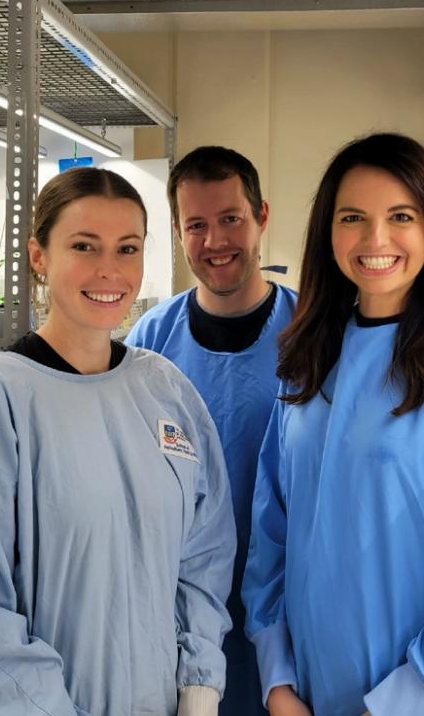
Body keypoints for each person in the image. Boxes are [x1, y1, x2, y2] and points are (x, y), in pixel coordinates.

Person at [0, 167, 236, 716]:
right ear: (39, 257)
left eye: (127, 249)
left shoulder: (163, 389)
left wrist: (199, 685)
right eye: (84, 246)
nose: (109, 270)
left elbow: (204, 550)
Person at [243, 133, 424, 716]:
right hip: (311, 696)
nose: (375, 239)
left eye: (400, 216)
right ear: (329, 233)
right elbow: (271, 534)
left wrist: (398, 705)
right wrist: (278, 679)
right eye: (353, 217)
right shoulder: (308, 364)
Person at [128, 146, 296, 716]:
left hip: (289, 610)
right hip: (181, 612)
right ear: (177, 232)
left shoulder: (312, 332)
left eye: (231, 219)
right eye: (196, 225)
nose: (215, 241)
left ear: (262, 217)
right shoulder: (152, 339)